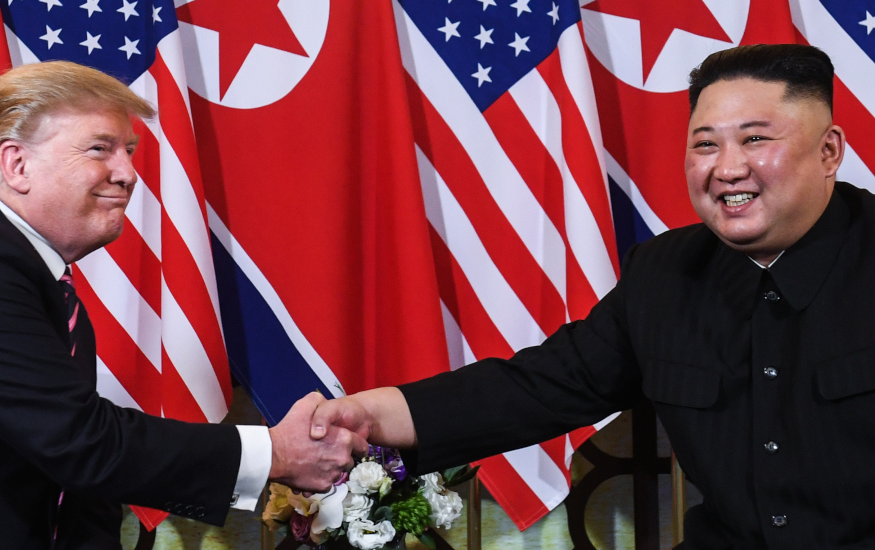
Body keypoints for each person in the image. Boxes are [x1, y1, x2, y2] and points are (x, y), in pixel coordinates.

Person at [310, 44, 874, 549]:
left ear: (829, 153)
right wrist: (367, 414)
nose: (728, 168)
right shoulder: (666, 273)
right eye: (706, 144)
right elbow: (538, 388)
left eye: (755, 139)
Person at [0, 61, 365, 549]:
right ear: (16, 164)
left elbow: (71, 483)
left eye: (128, 151)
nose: (128, 174)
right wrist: (273, 452)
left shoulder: (32, 278)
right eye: (100, 149)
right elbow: (79, 443)